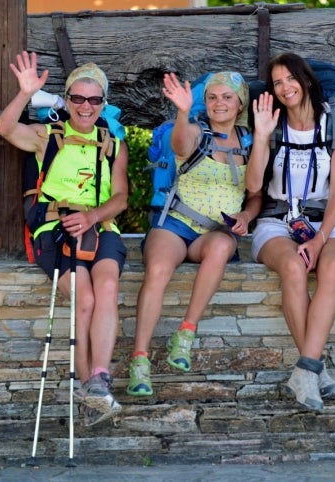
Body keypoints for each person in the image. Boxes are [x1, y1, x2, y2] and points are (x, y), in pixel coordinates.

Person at [0, 51, 128, 425]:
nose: (86, 107)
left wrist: (92, 217)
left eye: (94, 99)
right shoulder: (46, 136)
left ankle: (98, 381)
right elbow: (4, 129)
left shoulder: (113, 144)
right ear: (66, 100)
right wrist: (24, 93)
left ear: (104, 102)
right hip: (54, 227)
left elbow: (121, 198)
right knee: (84, 300)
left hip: (100, 226)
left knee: (107, 289)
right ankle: (92, 388)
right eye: (78, 99)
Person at [127, 71, 261, 397]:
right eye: (213, 97)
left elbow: (255, 192)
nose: (219, 103)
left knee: (220, 250)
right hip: (175, 225)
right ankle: (140, 359)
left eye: (227, 97)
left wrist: (246, 215)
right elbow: (180, 144)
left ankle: (184, 334)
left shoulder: (249, 141)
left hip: (216, 232)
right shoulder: (193, 130)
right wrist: (183, 111)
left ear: (240, 102)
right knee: (158, 270)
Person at [246, 53, 335, 411]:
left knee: (332, 267)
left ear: (305, 80)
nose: (285, 87)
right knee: (293, 267)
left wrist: (321, 238)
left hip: (323, 222)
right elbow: (252, 187)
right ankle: (314, 370)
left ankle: (306, 371)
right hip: (276, 220)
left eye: (290, 79)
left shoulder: (334, 127)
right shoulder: (272, 125)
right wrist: (261, 137)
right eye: (277, 83)